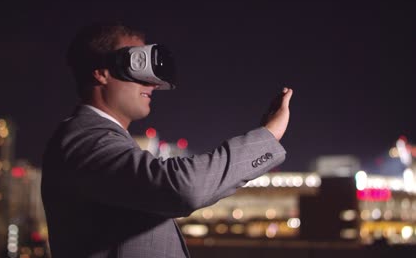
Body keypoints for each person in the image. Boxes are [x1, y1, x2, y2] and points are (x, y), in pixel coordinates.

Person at [41, 22, 293, 258]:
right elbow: (183, 187)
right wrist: (268, 136)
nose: (152, 82)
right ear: (101, 73)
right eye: (136, 63)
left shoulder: (99, 141)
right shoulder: (84, 142)